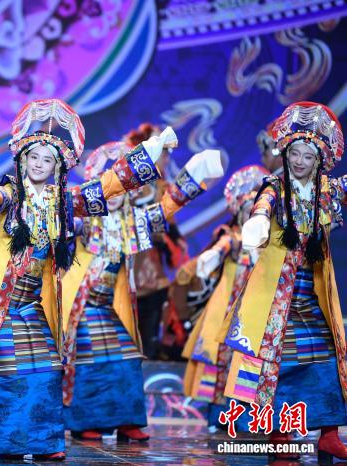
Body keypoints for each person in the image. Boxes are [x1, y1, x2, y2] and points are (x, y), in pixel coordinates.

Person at [0, 99, 180, 460]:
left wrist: (152, 150)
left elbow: (106, 186)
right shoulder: (12, 195)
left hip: (33, 303)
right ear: (23, 160)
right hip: (1, 304)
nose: (39, 164)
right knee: (6, 372)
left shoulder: (62, 203)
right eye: (34, 157)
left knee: (48, 368)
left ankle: (44, 441)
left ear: (58, 167)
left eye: (47, 160)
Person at [60, 140, 223, 442]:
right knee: (91, 361)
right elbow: (64, 223)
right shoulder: (85, 220)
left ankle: (127, 421)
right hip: (82, 306)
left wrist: (195, 173)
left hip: (110, 305)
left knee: (127, 359)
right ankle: (85, 421)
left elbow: (166, 207)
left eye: (122, 191)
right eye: (109, 190)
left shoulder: (131, 222)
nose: (114, 197)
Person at [220, 102, 347, 461]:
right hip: (277, 297)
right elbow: (263, 205)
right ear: (285, 153)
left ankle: (329, 434)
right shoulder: (275, 186)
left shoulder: (325, 191)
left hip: (313, 293)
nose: (300, 161)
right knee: (280, 364)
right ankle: (280, 434)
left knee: (327, 360)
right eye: (294, 153)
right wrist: (259, 221)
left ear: (319, 160)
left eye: (308, 155)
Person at [181, 165, 269, 428]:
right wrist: (212, 256)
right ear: (239, 213)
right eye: (247, 211)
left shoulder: (268, 246)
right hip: (227, 312)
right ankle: (218, 416)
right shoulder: (232, 238)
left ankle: (245, 419)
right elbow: (221, 248)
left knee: (249, 364)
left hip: (255, 314)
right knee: (220, 360)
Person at [126, 124, 189, 359]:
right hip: (128, 265)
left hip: (153, 272)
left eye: (166, 153)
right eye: (162, 152)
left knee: (150, 335)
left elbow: (168, 222)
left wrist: (173, 240)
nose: (165, 158)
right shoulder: (127, 184)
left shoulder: (162, 187)